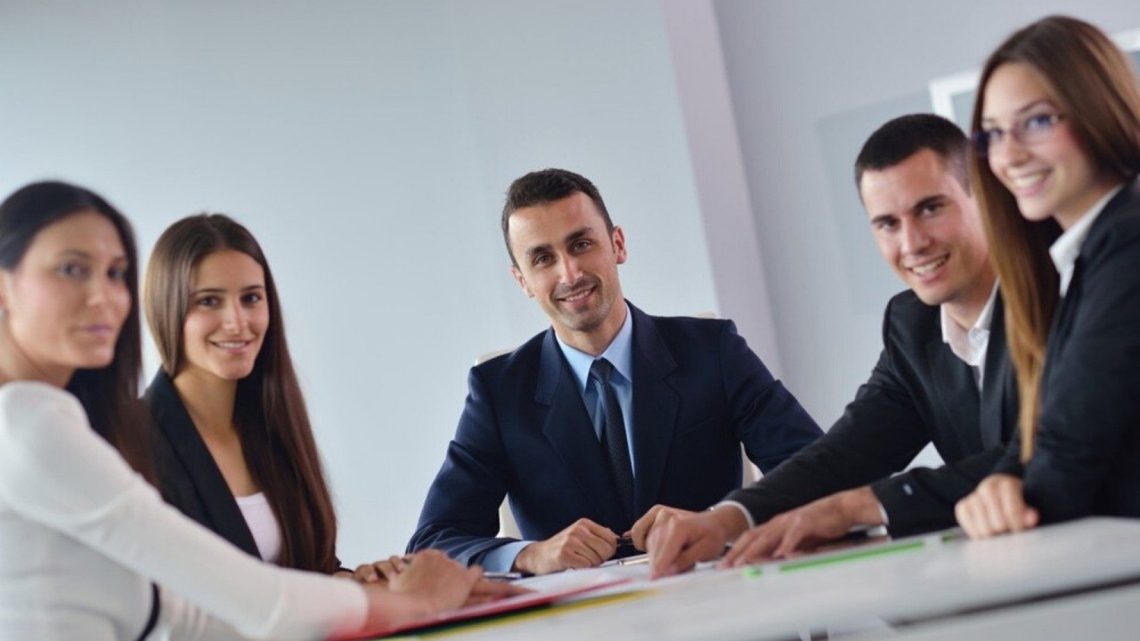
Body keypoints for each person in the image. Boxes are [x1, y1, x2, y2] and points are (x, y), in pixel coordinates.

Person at [0, 181, 514, 640]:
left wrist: (368, 592)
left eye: (115, 274)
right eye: (72, 269)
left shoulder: (266, 423)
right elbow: (249, 600)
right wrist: (413, 603)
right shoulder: (29, 426)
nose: (105, 297)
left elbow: (182, 615)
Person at [640, 114, 1018, 577]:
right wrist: (728, 517)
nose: (912, 243)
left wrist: (857, 507)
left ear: (983, 195)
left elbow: (1046, 452)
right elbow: (848, 452)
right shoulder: (911, 322)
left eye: (930, 208)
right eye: (886, 224)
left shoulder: (1061, 297)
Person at [406, 168, 822, 575]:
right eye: (543, 258)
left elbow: (817, 473)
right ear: (523, 281)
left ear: (617, 245)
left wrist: (721, 519)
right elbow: (433, 542)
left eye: (581, 244)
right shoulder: (498, 393)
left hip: (727, 613)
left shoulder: (713, 350)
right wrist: (531, 555)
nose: (569, 273)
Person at [954, 15, 1140, 538]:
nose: (1008, 155)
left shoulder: (1128, 239)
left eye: (1036, 121)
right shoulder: (1084, 252)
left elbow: (1073, 448)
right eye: (992, 133)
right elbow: (1045, 431)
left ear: (1097, 108)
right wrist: (1004, 481)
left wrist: (1013, 500)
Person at [143, 214, 344, 573]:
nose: (237, 322)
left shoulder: (271, 421)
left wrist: (365, 581)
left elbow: (315, 570)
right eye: (208, 301)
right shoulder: (136, 443)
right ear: (166, 309)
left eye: (251, 298)